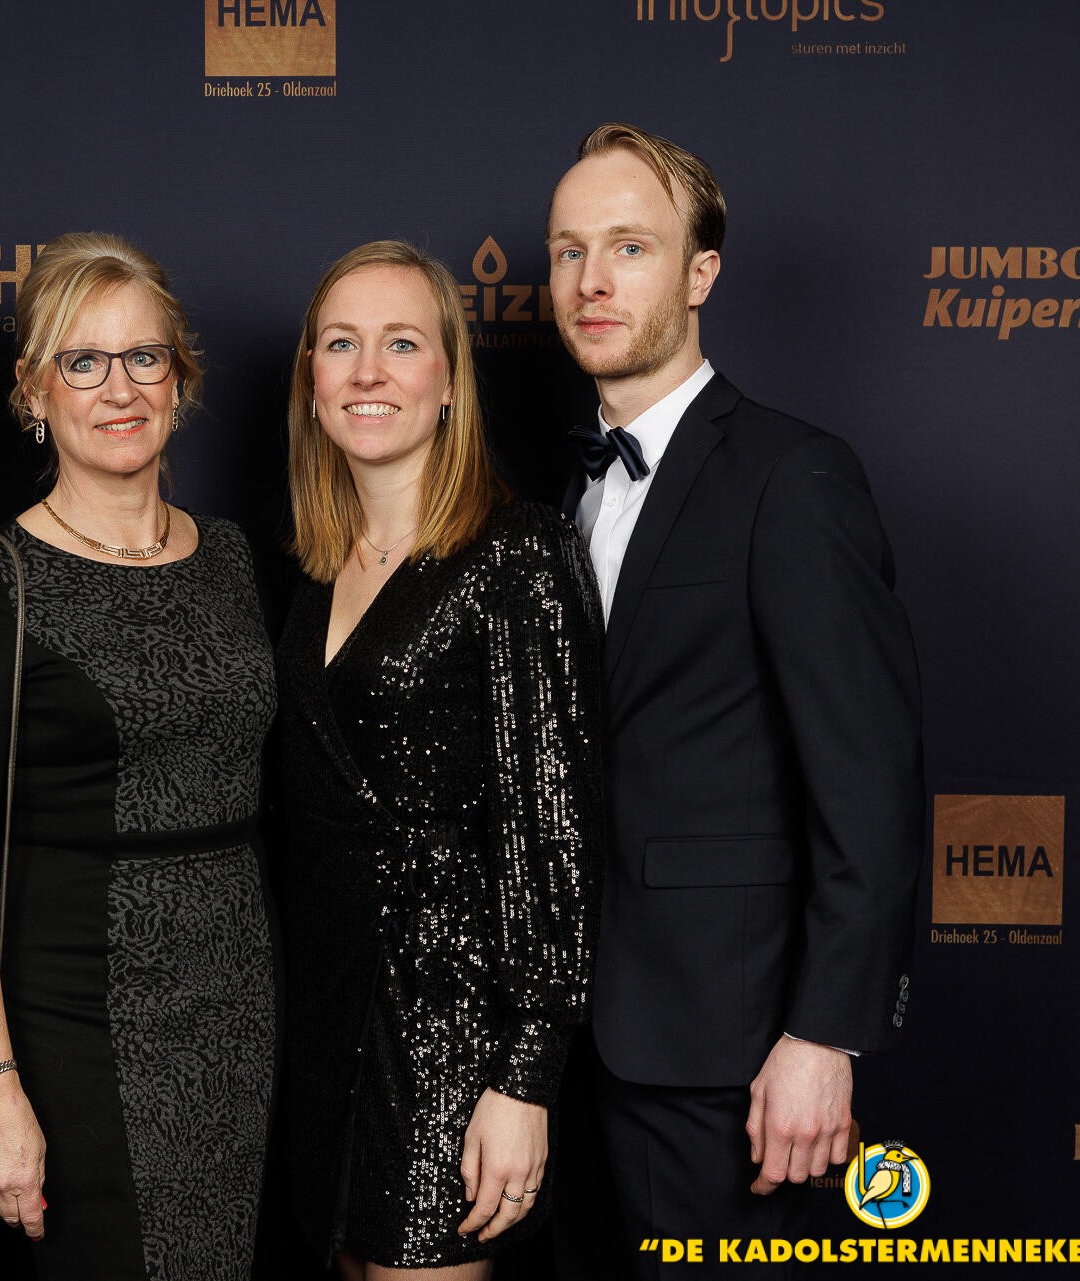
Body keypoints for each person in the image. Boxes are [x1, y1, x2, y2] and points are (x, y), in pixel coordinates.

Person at [544, 124, 923, 1278]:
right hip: (564, 1053)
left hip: (733, 1051)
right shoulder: (560, 492)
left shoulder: (791, 475)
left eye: (630, 248)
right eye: (568, 251)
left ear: (701, 272)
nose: (593, 281)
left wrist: (824, 1035)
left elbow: (870, 783)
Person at [0, 232, 278, 1281]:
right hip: (78, 1022)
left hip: (242, 1007)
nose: (119, 389)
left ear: (181, 378)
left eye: (144, 357)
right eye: (83, 361)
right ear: (34, 390)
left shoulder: (234, 557)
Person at [274, 240, 607, 1279]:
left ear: (451, 380)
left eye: (402, 344)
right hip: (324, 1019)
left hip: (454, 1033)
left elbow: (556, 832)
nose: (368, 372)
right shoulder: (310, 571)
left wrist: (527, 1078)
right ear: (313, 384)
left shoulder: (519, 552)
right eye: (341, 344)